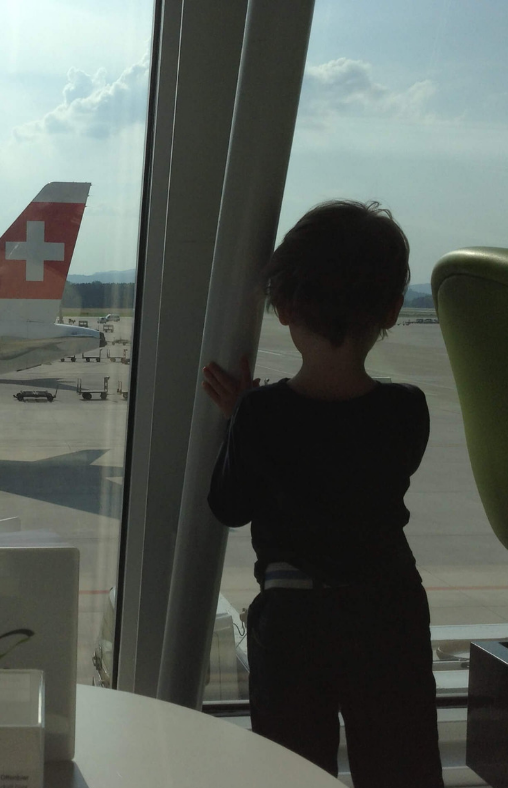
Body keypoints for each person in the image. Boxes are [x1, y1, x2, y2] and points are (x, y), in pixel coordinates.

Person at [202, 200, 443, 787]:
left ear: (283, 309)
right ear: (391, 310)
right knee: (401, 769)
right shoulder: (408, 409)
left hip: (294, 622)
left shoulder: (262, 414)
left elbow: (228, 506)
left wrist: (241, 422)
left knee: (292, 773)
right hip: (389, 614)